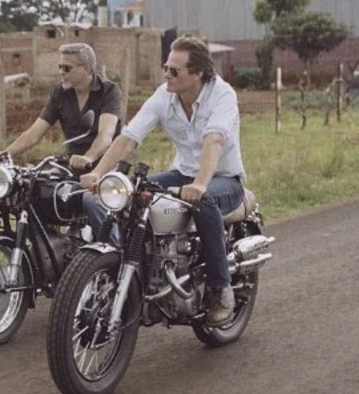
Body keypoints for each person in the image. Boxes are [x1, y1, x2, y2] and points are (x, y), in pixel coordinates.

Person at [80, 35, 245, 327]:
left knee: (203, 202)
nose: (166, 74)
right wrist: (99, 173)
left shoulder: (222, 95)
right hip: (181, 173)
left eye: (174, 71)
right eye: (165, 67)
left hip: (222, 179)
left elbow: (214, 141)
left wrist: (200, 184)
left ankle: (222, 290)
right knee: (128, 192)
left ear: (197, 74)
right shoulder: (164, 95)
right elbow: (128, 138)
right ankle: (134, 267)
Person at [0, 42, 122, 241]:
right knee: (33, 191)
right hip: (70, 167)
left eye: (66, 68)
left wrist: (88, 158)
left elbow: (106, 136)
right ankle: (47, 254)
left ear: (86, 69)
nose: (61, 72)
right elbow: (34, 133)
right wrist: (5, 154)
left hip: (104, 167)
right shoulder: (60, 93)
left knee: (92, 201)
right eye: (59, 67)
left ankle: (113, 256)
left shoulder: (109, 91)